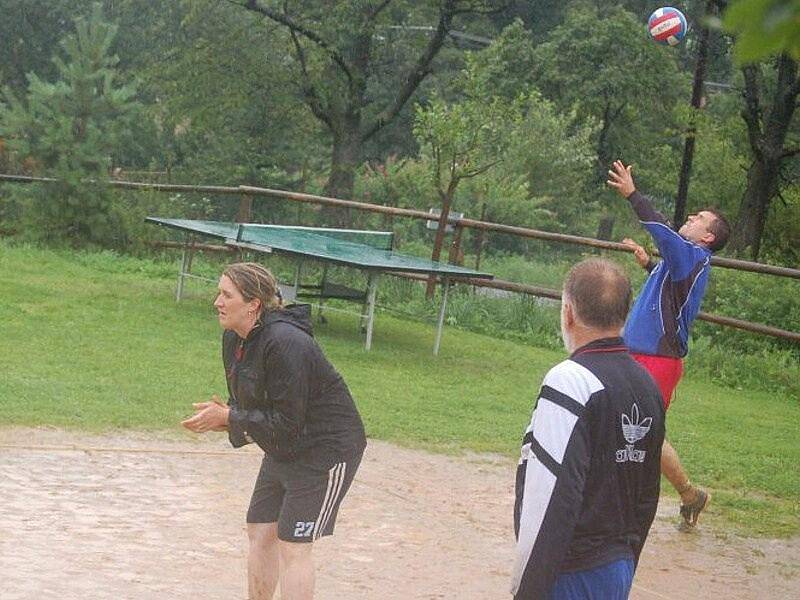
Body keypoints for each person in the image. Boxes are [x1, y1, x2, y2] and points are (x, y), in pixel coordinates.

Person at [181, 262, 367, 600]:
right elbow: (248, 402)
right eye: (219, 293)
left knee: (293, 545)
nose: (217, 302)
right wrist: (226, 416)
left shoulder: (286, 342)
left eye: (226, 295)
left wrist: (230, 419)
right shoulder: (235, 337)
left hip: (326, 446)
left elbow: (287, 423)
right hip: (287, 443)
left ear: (253, 304)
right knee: (261, 530)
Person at [511, 259, 665, 600]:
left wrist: (528, 587)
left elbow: (551, 494)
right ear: (624, 316)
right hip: (617, 566)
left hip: (568, 571)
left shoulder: (569, 380)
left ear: (568, 312)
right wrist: (627, 560)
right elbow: (647, 494)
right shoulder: (647, 385)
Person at [607, 159, 730, 528]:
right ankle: (689, 495)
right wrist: (649, 266)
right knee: (635, 428)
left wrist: (633, 195)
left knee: (640, 432)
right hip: (643, 354)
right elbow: (672, 297)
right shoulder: (683, 261)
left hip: (658, 359)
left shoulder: (692, 255)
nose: (691, 218)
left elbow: (662, 232)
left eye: (699, 220)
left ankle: (647, 502)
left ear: (707, 237)